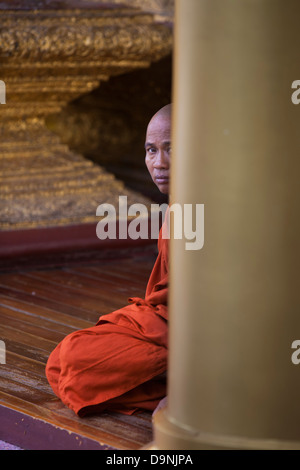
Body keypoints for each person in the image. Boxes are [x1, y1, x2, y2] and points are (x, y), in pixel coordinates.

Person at [45, 104, 171, 416]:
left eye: (172, 149)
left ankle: (190, 386)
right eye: (151, 150)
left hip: (196, 333)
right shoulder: (176, 207)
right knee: (63, 360)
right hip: (162, 321)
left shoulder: (208, 208)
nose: (159, 163)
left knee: (74, 362)